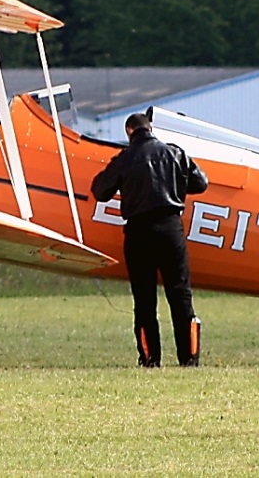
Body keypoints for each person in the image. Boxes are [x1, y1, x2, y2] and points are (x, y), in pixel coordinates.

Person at [92, 112, 208, 367]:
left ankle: (150, 359)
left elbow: (100, 191)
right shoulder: (175, 153)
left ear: (129, 132)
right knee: (180, 295)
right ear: (151, 128)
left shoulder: (125, 158)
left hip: (139, 232)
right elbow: (201, 183)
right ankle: (189, 359)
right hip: (170, 228)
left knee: (144, 300)